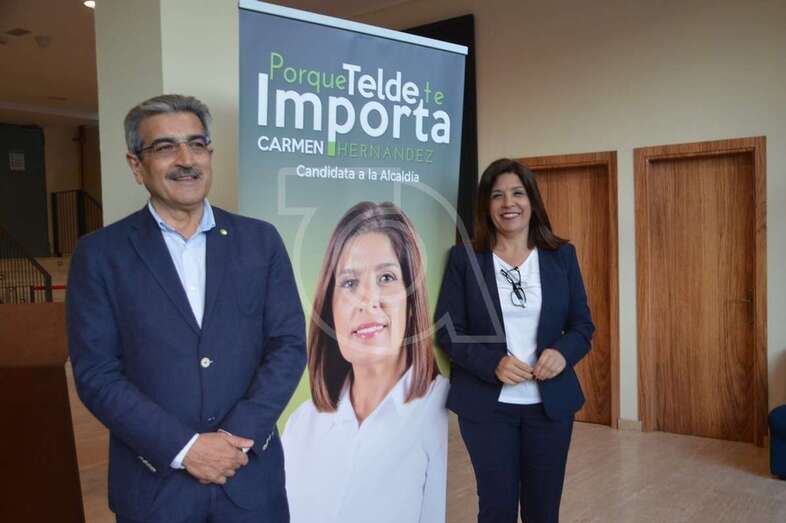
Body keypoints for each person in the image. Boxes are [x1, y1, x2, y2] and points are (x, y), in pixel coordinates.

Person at [67, 94, 306, 523]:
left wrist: (235, 437)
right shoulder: (100, 254)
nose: (186, 159)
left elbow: (288, 345)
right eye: (165, 147)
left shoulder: (260, 241)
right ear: (136, 165)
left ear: (210, 155)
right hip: (156, 492)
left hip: (250, 481)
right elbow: (97, 374)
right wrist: (187, 449)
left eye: (197, 144)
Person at [434, 158, 594, 523]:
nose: (509, 204)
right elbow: (448, 330)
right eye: (497, 195)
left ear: (532, 201)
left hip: (549, 408)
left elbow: (583, 326)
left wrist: (562, 353)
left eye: (518, 193)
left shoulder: (561, 257)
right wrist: (493, 363)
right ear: (486, 206)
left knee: (543, 511)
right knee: (496, 509)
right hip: (488, 409)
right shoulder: (465, 259)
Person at [282, 201, 449, 523]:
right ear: (329, 309)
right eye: (348, 283)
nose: (366, 299)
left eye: (386, 277)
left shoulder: (445, 415)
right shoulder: (302, 425)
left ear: (412, 301)